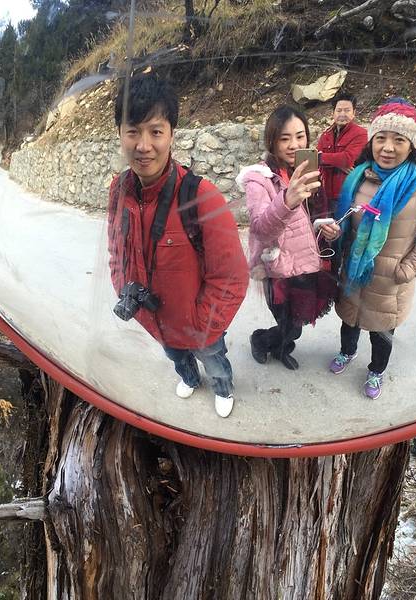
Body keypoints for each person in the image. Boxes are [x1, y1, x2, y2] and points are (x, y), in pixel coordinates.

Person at [107, 73, 249, 418]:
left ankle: (222, 386)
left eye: (156, 131)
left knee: (213, 359)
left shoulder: (201, 196)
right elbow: (116, 253)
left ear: (172, 133)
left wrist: (202, 326)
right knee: (176, 358)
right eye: (133, 131)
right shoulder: (119, 190)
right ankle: (189, 378)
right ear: (120, 134)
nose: (144, 145)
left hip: (200, 328)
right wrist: (125, 291)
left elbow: (232, 277)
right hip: (156, 321)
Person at [330, 97, 416, 399]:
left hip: (390, 280)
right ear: (371, 141)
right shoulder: (358, 176)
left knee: (382, 332)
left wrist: (405, 270)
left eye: (399, 140)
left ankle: (376, 371)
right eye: (381, 138)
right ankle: (347, 352)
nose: (388, 148)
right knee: (349, 319)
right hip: (353, 270)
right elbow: (345, 221)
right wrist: (335, 235)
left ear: (412, 145)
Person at [236, 105, 340, 370]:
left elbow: (312, 217)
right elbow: (260, 228)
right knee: (289, 324)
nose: (295, 145)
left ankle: (280, 349)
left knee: (297, 322)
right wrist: (287, 200)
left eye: (300, 136)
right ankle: (261, 340)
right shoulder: (259, 180)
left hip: (306, 263)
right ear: (272, 141)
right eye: (285, 138)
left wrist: (327, 228)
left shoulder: (308, 171)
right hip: (277, 269)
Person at [316, 93, 368, 212]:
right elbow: (315, 159)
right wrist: (337, 163)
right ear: (333, 113)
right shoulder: (326, 135)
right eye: (339, 110)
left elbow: (347, 158)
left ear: (354, 113)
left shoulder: (361, 134)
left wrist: (321, 158)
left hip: (349, 194)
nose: (342, 114)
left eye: (347, 110)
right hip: (326, 193)